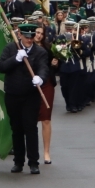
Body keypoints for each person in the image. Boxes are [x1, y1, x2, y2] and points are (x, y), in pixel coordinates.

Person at [0, 23, 50, 174]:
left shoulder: (39, 51)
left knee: (30, 128)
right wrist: (15, 59)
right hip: (13, 94)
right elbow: (1, 66)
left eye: (32, 36)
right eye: (26, 37)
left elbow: (43, 67)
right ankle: (18, 161)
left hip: (30, 95)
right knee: (17, 128)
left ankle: (33, 162)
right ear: (19, 35)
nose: (29, 39)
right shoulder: (10, 48)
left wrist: (41, 78)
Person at [35, 25, 59, 164]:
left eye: (41, 33)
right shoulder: (25, 48)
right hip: (31, 85)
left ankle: (46, 152)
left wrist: (55, 64)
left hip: (47, 84)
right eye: (36, 33)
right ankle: (32, 151)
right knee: (30, 119)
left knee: (46, 118)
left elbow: (54, 67)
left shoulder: (48, 48)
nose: (38, 35)